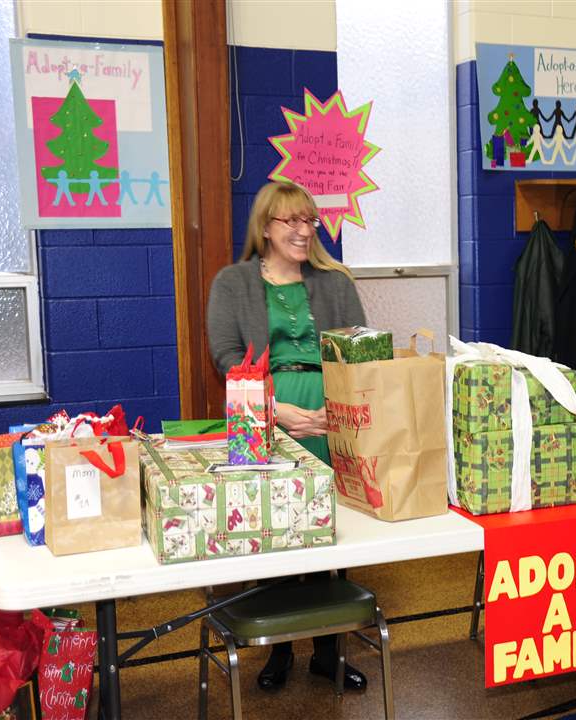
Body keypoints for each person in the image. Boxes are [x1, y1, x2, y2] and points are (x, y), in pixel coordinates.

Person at [207, 181, 368, 693]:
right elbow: (226, 357)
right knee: (277, 534)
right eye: (291, 221)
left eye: (309, 220)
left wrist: (334, 410)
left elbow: (360, 354)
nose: (303, 231)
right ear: (265, 227)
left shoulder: (336, 282)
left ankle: (328, 652)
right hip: (265, 421)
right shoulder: (232, 283)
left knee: (330, 539)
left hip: (329, 417)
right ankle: (277, 650)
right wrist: (275, 412)